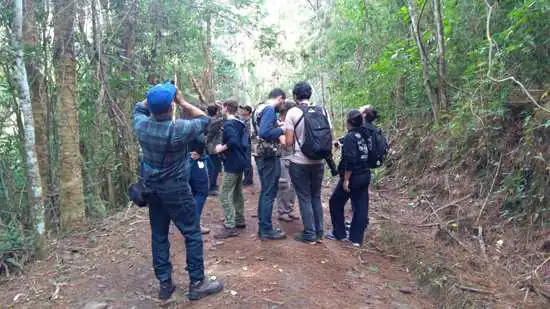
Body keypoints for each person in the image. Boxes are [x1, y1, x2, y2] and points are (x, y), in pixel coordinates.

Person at [133, 82, 223, 302]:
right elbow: (206, 119)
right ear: (171, 107)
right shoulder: (179, 129)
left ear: (151, 108)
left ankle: (165, 284)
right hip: (177, 189)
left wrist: (154, 94)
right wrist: (181, 100)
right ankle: (197, 282)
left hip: (152, 189)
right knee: (191, 233)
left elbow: (138, 108)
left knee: (159, 234)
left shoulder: (142, 126)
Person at [284, 81, 333, 244]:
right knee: (316, 196)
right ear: (310, 94)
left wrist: (279, 137)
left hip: (299, 161)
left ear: (295, 96)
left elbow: (289, 142)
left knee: (304, 197)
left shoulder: (292, 112)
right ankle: (319, 232)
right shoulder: (322, 111)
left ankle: (309, 234)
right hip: (319, 161)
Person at [326, 109, 371, 247]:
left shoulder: (351, 136)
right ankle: (356, 240)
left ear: (349, 122)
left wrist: (346, 180)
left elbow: (350, 160)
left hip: (353, 177)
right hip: (365, 174)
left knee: (335, 202)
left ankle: (339, 233)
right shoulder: (366, 133)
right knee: (361, 207)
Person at [213, 100, 251, 239]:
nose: (221, 109)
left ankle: (230, 225)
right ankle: (240, 220)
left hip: (233, 162)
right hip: (241, 160)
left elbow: (233, 140)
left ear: (226, 108)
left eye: (223, 107)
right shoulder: (240, 123)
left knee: (223, 193)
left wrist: (221, 148)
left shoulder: (229, 124)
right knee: (237, 192)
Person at [254, 88, 288, 240]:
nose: (282, 105)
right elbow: (264, 133)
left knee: (265, 192)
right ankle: (266, 230)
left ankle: (263, 227)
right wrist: (281, 129)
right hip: (268, 156)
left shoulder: (259, 108)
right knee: (269, 193)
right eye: (283, 101)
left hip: (261, 155)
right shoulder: (269, 109)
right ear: (280, 98)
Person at [275, 100, 299, 222]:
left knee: (294, 185)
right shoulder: (280, 125)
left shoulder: (295, 124)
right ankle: (282, 211)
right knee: (284, 184)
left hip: (295, 157)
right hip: (284, 157)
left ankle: (289, 209)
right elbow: (284, 143)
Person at [187, 133, 211, 234]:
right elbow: (201, 140)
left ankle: (189, 222)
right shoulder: (195, 122)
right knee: (201, 191)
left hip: (186, 159)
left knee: (191, 192)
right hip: (195, 158)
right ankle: (194, 224)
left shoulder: (180, 122)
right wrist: (198, 152)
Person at [205, 104, 223, 196]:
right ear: (216, 112)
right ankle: (212, 187)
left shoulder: (206, 120)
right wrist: (221, 108)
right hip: (213, 147)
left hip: (209, 146)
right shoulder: (216, 121)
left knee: (211, 167)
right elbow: (224, 117)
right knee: (215, 167)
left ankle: (212, 185)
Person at [239, 105, 254, 187]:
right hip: (243, 143)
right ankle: (246, 179)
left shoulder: (250, 121)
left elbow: (249, 133)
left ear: (248, 112)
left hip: (247, 143)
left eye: (244, 110)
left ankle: (249, 180)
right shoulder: (242, 120)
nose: (242, 111)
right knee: (244, 161)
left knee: (247, 161)